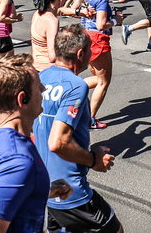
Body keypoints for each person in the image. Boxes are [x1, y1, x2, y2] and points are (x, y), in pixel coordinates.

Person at [33, 25, 121, 231]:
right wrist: (93, 160)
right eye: (90, 50)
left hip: (47, 185)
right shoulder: (75, 86)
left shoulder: (41, 77)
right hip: (69, 189)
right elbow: (58, 142)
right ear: (81, 54)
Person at [0, 54, 65, 233]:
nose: (44, 89)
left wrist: (43, 190)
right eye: (38, 86)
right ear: (23, 99)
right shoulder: (17, 161)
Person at [81, 0, 116, 128]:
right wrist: (116, 20)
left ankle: (74, 88)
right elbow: (101, 24)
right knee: (103, 81)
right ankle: (90, 119)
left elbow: (77, 10)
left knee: (97, 78)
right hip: (97, 39)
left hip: (86, 36)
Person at [30, 0, 66, 72]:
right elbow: (52, 56)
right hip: (47, 70)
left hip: (35, 66)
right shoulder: (52, 21)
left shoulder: (37, 13)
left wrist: (78, 12)